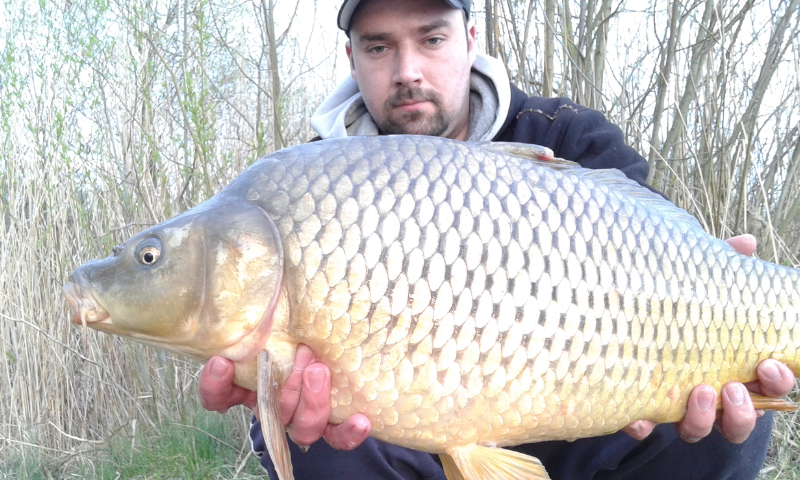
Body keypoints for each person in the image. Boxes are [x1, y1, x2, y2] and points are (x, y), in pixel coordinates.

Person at [198, 0, 797, 478]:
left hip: (587, 409)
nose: (407, 70)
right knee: (306, 433)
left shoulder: (568, 136)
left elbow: (662, 257)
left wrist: (721, 286)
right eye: (379, 47)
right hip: (400, 436)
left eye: (431, 39)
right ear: (352, 58)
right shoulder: (307, 186)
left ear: (470, 39)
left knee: (726, 408)